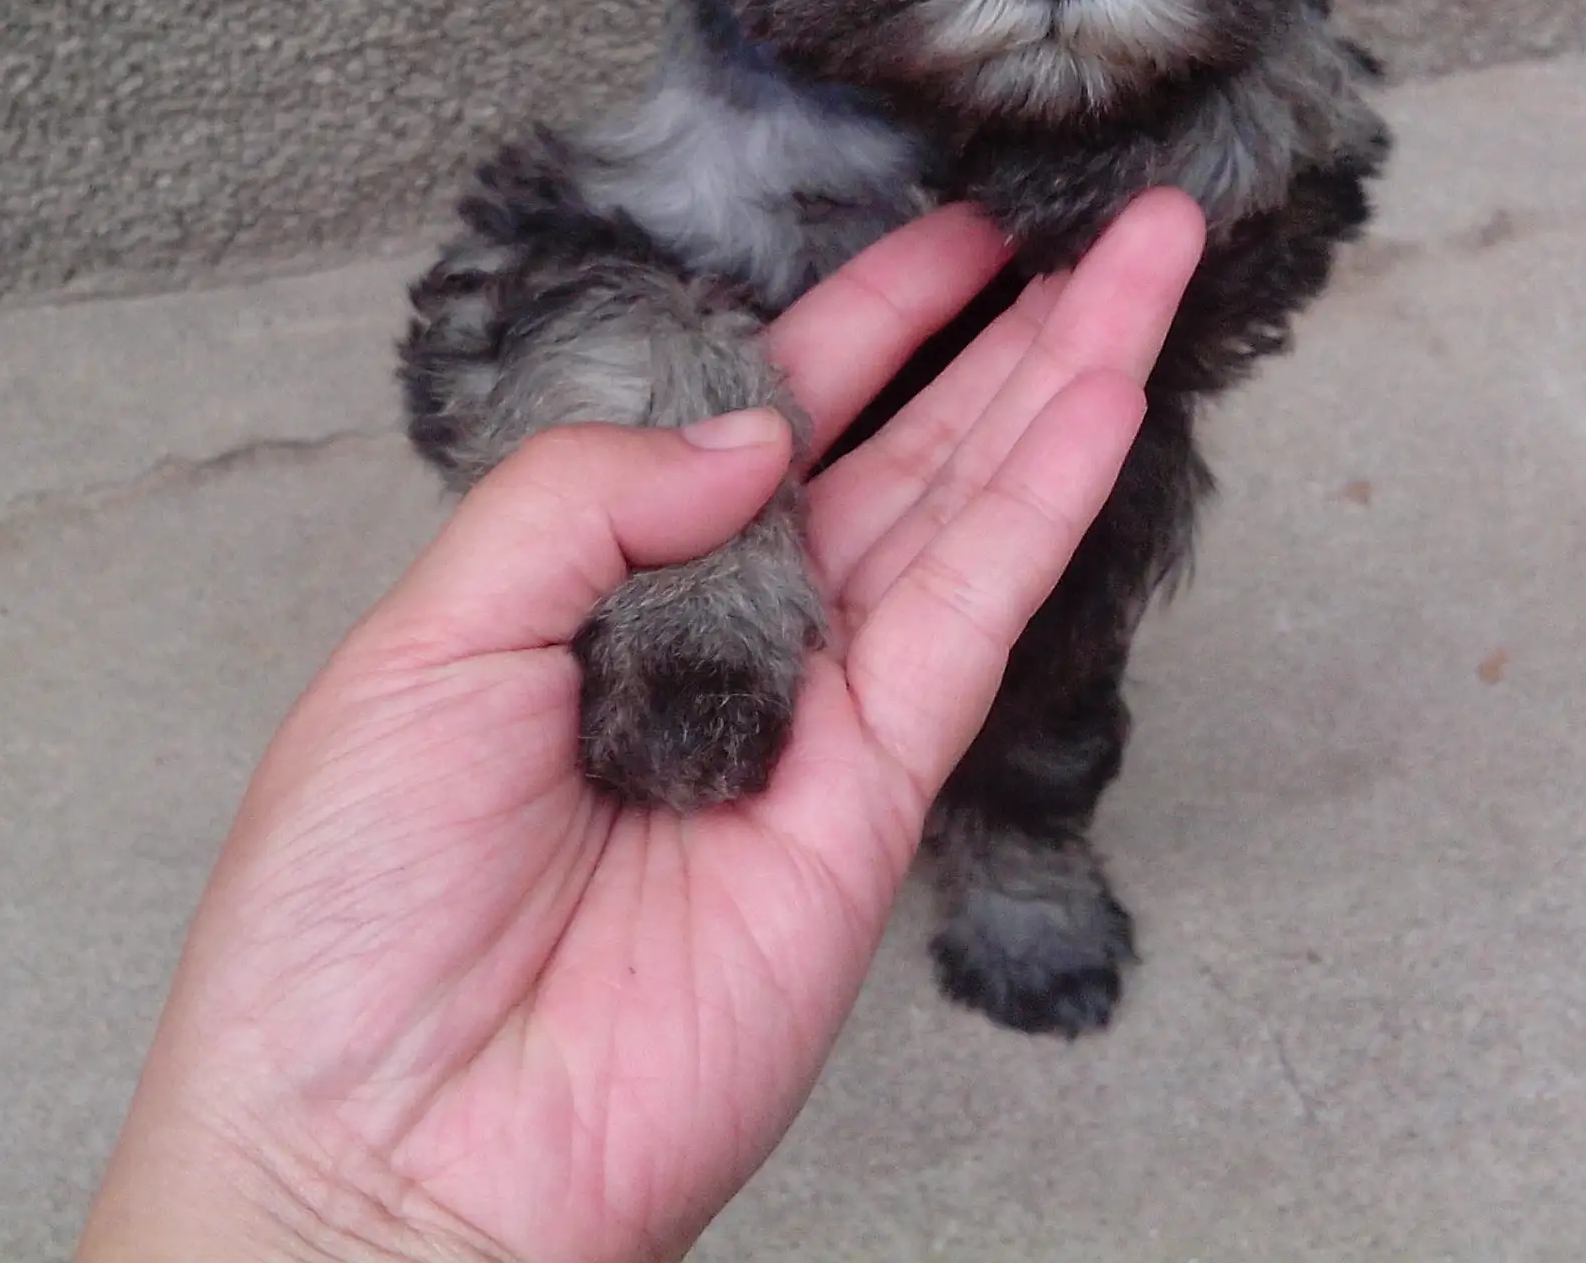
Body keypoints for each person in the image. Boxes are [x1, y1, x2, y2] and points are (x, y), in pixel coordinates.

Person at [77, 191, 1207, 1263]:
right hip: (783, 509)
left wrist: (341, 1214)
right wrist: (334, 1205)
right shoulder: (667, 177)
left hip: (975, 497)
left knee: (1048, 649)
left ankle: (1018, 861)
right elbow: (489, 322)